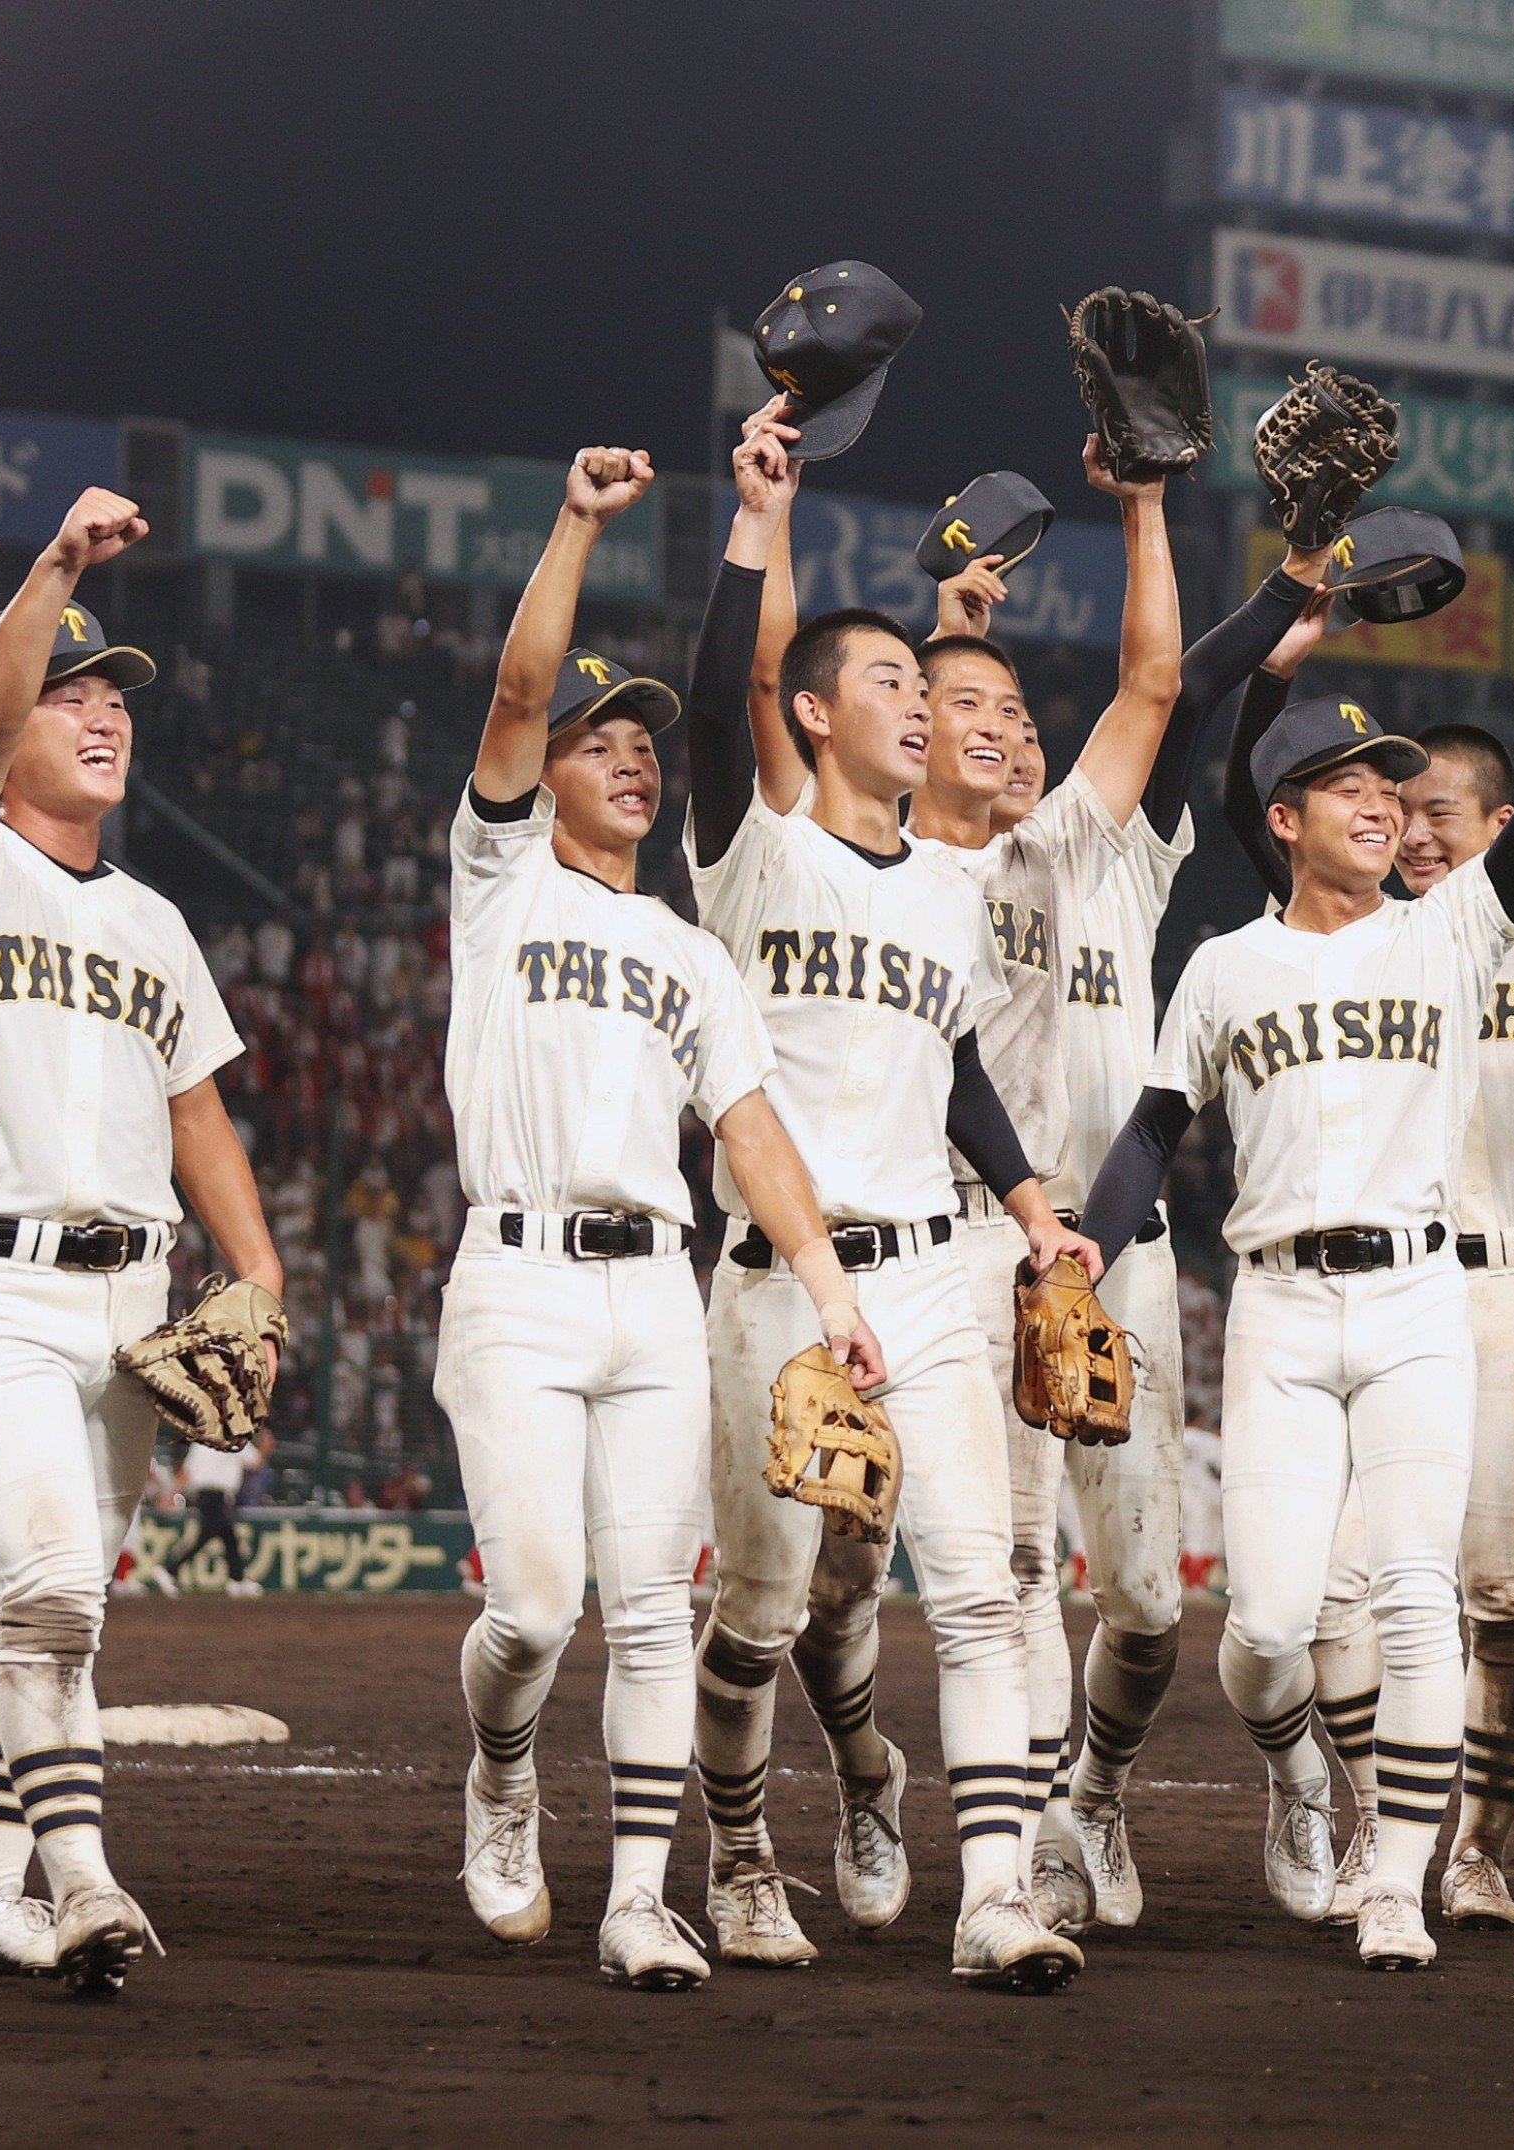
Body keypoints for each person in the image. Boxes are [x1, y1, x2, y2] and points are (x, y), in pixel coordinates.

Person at [1073, 635, 1514, 1970]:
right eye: (1351, 784)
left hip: (1416, 1296)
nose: (1383, 803)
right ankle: (1297, 1775)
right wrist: (1072, 1251)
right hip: (1280, 1315)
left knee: (1413, 1595)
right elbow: (1149, 1133)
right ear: (1283, 818)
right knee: (1272, 1628)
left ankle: (1397, 1876)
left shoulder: (1457, 924)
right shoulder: (1227, 967)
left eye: (1392, 787)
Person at [854, 425, 1325, 1940]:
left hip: (1106, 1245)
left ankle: (1076, 1806)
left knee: (1129, 1596)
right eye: (963, 714)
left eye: (1013, 715)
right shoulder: (886, 874)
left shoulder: (1091, 849)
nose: (1001, 730)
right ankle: (948, 1806)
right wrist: (949, 637)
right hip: (952, 1242)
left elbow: (1155, 685)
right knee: (923, 1579)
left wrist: (1145, 506)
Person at [432, 444, 885, 1994]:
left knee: (647, 1611)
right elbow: (510, 695)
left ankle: (637, 1895)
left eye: (646, 741)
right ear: (544, 766)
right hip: (517, 1276)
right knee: (537, 1602)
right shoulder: (498, 886)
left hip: (654, 1294)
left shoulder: (692, 953)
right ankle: (499, 1769)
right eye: (600, 735)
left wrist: (826, 1281)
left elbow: (748, 1125)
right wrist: (573, 523)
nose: (632, 754)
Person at [666, 406, 1095, 1989]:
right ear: (816, 712)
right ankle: (739, 1842)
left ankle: (993, 1895)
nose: (923, 702)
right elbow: (719, 698)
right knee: (764, 1614)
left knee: (978, 1584)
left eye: (929, 685)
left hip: (931, 1268)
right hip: (780, 1276)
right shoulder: (753, 853)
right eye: (894, 683)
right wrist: (755, 526)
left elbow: (960, 1066)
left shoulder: (948, 884)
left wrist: (1037, 1203)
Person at [0, 491, 284, 1995]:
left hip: (133, 1302)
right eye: (71, 693)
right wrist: (57, 570)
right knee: (57, 1584)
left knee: (65, 1626)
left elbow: (198, 1117)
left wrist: (256, 1271)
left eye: (114, 694)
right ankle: (84, 1872)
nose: (102, 715)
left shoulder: (156, 921)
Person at [180, 1433, 258, 1595]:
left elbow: (186, 1472)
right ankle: (169, 1569)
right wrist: (266, 1447)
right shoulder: (233, 1437)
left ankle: (237, 1579)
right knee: (208, 1536)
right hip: (216, 1496)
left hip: (204, 1495)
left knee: (229, 1537)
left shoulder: (202, 1439)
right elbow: (255, 1463)